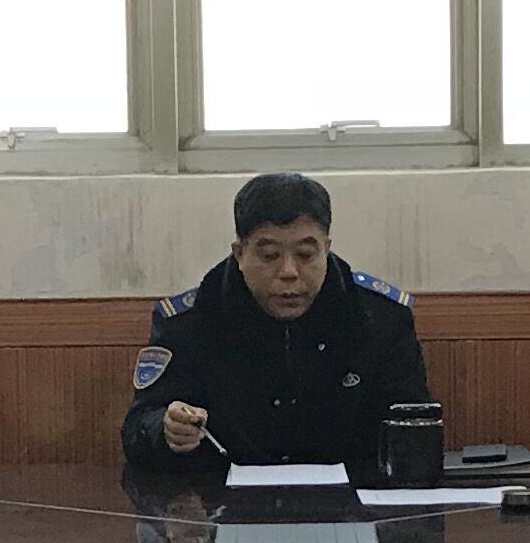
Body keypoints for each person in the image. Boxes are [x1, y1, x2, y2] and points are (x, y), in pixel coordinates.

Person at [120, 172, 433, 476]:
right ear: (240, 254)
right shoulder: (189, 323)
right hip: (223, 504)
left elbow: (415, 425)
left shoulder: (380, 320)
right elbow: (139, 428)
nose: (289, 272)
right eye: (270, 256)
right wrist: (166, 431)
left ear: (327, 249)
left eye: (306, 255)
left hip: (349, 502)